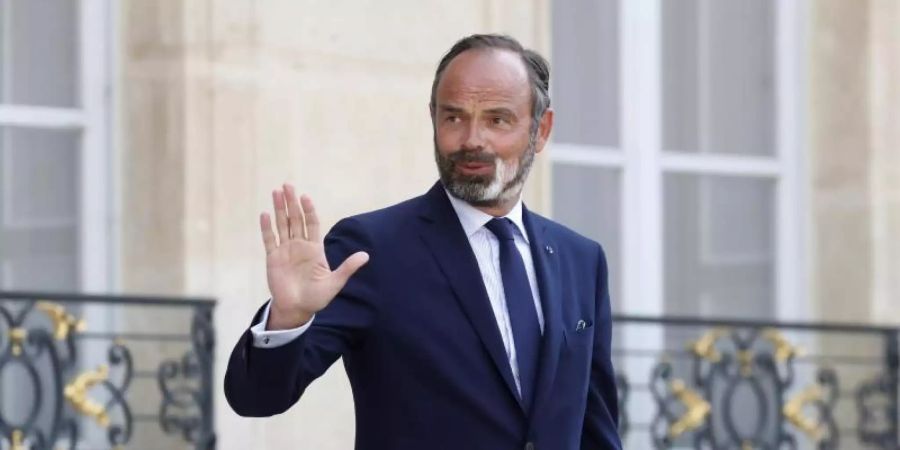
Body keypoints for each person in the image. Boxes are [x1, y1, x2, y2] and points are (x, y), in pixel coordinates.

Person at [224, 34, 622, 450]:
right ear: (433, 120)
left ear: (541, 131)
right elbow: (255, 398)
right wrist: (288, 318)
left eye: (497, 120)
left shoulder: (581, 260)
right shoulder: (370, 249)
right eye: (454, 118)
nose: (472, 139)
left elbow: (595, 429)